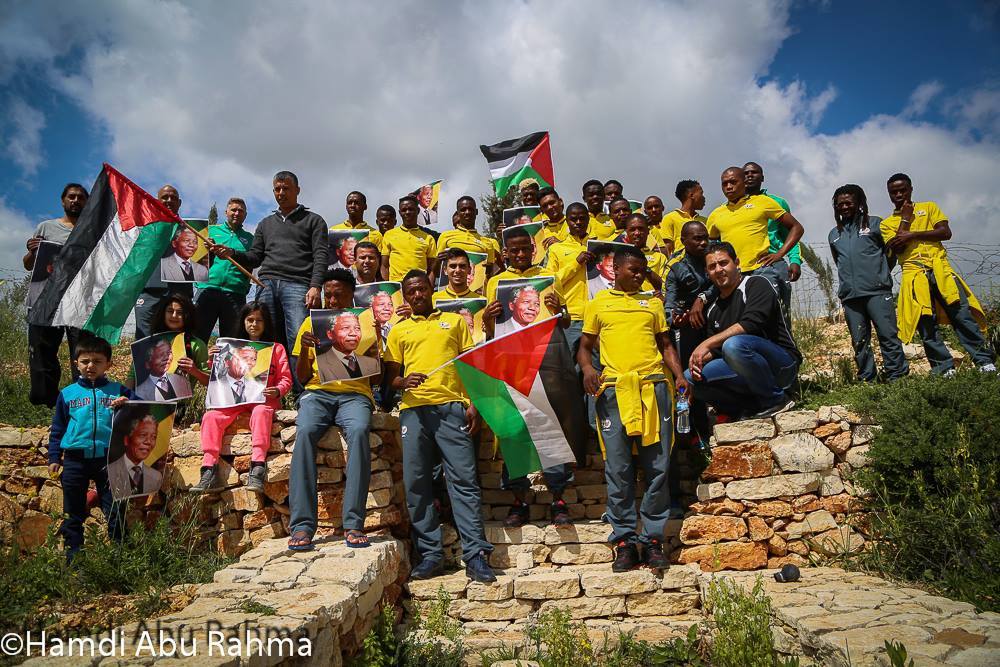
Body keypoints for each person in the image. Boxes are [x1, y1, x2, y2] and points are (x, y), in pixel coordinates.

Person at [383, 270, 496, 581]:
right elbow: (388, 379)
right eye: (411, 292)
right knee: (417, 486)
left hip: (451, 410)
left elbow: (470, 365)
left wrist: (474, 403)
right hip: (413, 411)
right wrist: (403, 380)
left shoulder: (455, 322)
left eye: (422, 289)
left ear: (432, 288)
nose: (417, 295)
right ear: (404, 296)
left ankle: (475, 555)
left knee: (464, 482)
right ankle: (431, 555)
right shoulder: (399, 330)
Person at [578, 245, 686, 571]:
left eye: (642, 270)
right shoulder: (597, 305)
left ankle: (652, 539)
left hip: (654, 389)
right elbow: (584, 348)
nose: (639, 275)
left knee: (657, 467)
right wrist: (587, 370)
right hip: (613, 393)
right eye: (633, 270)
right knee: (619, 468)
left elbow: (666, 345)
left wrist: (679, 374)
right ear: (615, 270)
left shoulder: (652, 304)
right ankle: (624, 540)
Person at [484, 226, 573, 526]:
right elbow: (490, 334)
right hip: (510, 367)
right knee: (514, 435)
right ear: (506, 252)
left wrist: (561, 310)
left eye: (526, 248)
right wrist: (487, 319)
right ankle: (519, 501)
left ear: (533, 249)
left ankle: (558, 499)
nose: (521, 254)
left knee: (549, 431)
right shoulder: (496, 282)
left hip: (545, 365)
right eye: (515, 250)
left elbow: (565, 321)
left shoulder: (548, 277)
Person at [289, 269, 378, 551]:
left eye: (339, 294)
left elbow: (376, 379)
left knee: (360, 431)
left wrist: (373, 355)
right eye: (329, 294)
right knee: (304, 433)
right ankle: (302, 525)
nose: (332, 299)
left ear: (352, 295)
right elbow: (301, 378)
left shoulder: (368, 325)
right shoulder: (310, 324)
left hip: (355, 395)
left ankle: (353, 523)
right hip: (317, 393)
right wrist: (305, 351)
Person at [212, 171, 328, 378]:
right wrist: (233, 253)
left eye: (286, 188)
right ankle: (267, 386)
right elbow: (255, 257)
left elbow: (321, 255)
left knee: (297, 338)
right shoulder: (265, 224)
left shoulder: (314, 221)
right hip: (265, 284)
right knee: (266, 338)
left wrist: (315, 286)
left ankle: (301, 391)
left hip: (298, 284)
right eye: (277, 189)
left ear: (297, 190)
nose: (281, 193)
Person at [882, 173, 995, 374]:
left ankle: (984, 361)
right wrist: (906, 218)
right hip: (914, 274)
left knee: (961, 315)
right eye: (894, 192)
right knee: (926, 323)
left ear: (911, 189)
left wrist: (914, 234)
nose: (899, 195)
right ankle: (944, 368)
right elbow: (897, 248)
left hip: (941, 270)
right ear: (889, 195)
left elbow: (945, 232)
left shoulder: (929, 207)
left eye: (903, 190)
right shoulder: (887, 223)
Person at [686, 241, 802, 419]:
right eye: (712, 266)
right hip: (742, 366)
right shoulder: (712, 308)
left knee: (733, 345)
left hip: (781, 365)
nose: (718, 269)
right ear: (707, 273)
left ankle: (776, 400)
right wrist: (698, 359)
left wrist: (706, 343)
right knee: (690, 377)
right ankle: (749, 407)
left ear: (737, 262)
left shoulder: (756, 284)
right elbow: (717, 350)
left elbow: (751, 324)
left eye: (723, 263)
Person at [47, 334, 132, 557]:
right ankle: (74, 562)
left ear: (108, 364)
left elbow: (142, 412)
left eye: (97, 361)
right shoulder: (67, 394)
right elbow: (58, 429)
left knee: (115, 510)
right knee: (73, 513)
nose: (90, 366)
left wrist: (128, 404)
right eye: (85, 361)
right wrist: (54, 458)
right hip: (75, 460)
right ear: (76, 363)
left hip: (109, 457)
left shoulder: (119, 391)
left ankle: (120, 559)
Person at [196, 304, 291, 492]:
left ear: (266, 323)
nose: (254, 324)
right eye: (250, 320)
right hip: (232, 402)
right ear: (243, 322)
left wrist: (277, 390)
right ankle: (208, 469)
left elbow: (286, 378)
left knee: (261, 412)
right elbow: (217, 377)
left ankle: (257, 467)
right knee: (210, 417)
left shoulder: (276, 348)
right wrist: (211, 359)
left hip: (263, 401)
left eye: (259, 320)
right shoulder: (229, 348)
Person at [828, 185, 909, 382]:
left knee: (887, 335)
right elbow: (839, 261)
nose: (844, 207)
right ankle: (868, 379)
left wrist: (878, 275)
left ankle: (897, 377)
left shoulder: (875, 225)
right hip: (850, 296)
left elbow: (890, 255)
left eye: (849, 203)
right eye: (840, 205)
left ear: (860, 204)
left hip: (877, 292)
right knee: (859, 340)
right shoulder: (833, 234)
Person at [24, 183, 88, 406]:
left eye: (81, 197)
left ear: (88, 203)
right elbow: (28, 265)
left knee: (81, 350)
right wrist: (32, 251)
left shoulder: (92, 231)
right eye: (71, 196)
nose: (76, 200)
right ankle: (45, 402)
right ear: (63, 201)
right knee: (43, 351)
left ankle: (81, 400)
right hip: (45, 299)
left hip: (79, 300)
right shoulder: (46, 227)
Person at [706, 167, 804, 298]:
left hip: (762, 270)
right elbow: (710, 248)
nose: (728, 187)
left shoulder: (763, 202)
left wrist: (780, 254)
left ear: (743, 182)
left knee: (770, 315)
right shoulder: (715, 214)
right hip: (734, 276)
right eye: (724, 184)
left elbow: (796, 228)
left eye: (733, 182)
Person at [744, 162, 802, 313]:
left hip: (773, 264)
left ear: (762, 177)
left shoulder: (777, 202)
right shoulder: (731, 207)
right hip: (743, 267)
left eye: (754, 172)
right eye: (746, 173)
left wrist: (794, 260)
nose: (750, 175)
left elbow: (791, 231)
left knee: (779, 312)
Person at [195, 197, 255, 340]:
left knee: (232, 340)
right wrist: (206, 250)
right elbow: (195, 259)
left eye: (241, 211)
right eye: (233, 210)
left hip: (235, 294)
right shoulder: (209, 231)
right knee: (197, 336)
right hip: (207, 289)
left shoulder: (250, 239)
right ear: (226, 212)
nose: (236, 213)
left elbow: (252, 262)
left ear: (245, 215)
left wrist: (244, 286)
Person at [135, 185, 187, 339]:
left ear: (180, 202)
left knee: (177, 340)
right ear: (157, 201)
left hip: (179, 292)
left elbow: (201, 265)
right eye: (165, 197)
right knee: (144, 339)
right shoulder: (144, 227)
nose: (169, 200)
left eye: (173, 198)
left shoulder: (193, 230)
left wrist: (206, 250)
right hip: (149, 291)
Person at [435, 196, 501, 277]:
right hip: (450, 287)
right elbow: (436, 271)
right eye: (463, 210)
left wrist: (489, 269)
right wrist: (438, 261)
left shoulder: (488, 243)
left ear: (476, 212)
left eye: (470, 209)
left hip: (476, 288)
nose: (467, 212)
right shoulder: (445, 236)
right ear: (458, 213)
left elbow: (492, 274)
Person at [107, 410, 165, 499]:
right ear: (126, 440)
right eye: (143, 435)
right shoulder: (109, 472)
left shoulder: (156, 477)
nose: (149, 442)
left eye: (153, 437)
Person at [381, 195, 438, 282]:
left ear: (418, 211)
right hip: (397, 287)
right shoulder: (389, 235)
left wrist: (429, 288)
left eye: (411, 209)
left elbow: (432, 270)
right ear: (400, 213)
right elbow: (384, 266)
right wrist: (388, 289)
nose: (407, 212)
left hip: (419, 286)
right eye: (404, 210)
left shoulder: (428, 238)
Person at [319, 311, 381, 380]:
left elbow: (376, 382)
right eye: (345, 328)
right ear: (330, 334)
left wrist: (378, 336)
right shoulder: (320, 362)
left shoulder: (372, 362)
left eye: (357, 328)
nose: (353, 333)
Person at [660, 180, 707, 258]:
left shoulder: (705, 221)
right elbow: (667, 248)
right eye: (701, 194)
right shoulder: (670, 218)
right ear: (691, 195)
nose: (704, 198)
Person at [623, 214, 668, 293]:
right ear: (626, 232)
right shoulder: (620, 256)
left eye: (641, 229)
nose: (637, 233)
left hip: (651, 301)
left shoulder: (660, 257)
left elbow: (665, 286)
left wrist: (644, 268)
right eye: (632, 229)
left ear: (648, 231)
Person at [331, 191, 385, 255]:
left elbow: (378, 261)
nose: (352, 205)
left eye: (356, 203)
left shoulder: (375, 234)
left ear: (365, 206)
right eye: (349, 203)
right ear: (346, 206)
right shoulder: (334, 231)